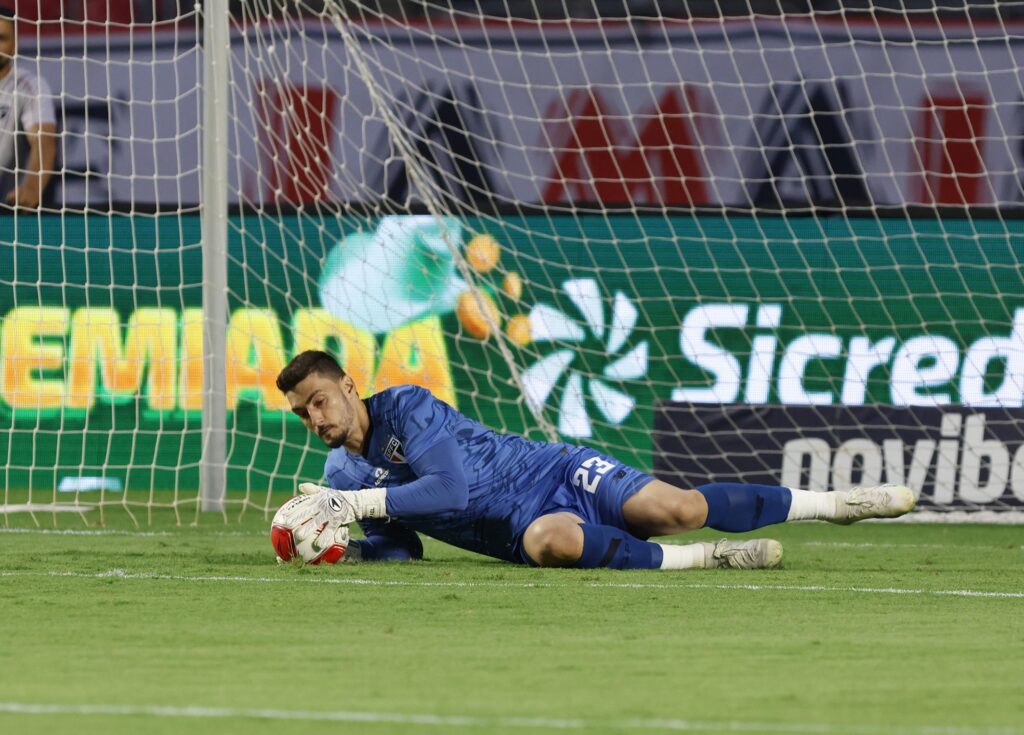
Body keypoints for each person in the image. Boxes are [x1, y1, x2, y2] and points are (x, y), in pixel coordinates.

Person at [274, 350, 915, 570]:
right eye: (303, 413)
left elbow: (447, 489)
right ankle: (714, 560)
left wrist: (352, 506)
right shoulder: (342, 477)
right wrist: (338, 545)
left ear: (349, 387)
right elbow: (401, 548)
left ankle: (837, 505)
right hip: (517, 530)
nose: (316, 418)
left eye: (321, 401)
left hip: (549, 470)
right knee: (556, 541)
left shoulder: (407, 407)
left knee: (678, 508)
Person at [0, 7, 57, 210]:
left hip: (6, 211)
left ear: (15, 44)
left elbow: (43, 141)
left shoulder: (29, 86)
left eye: (1, 38)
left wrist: (32, 187)